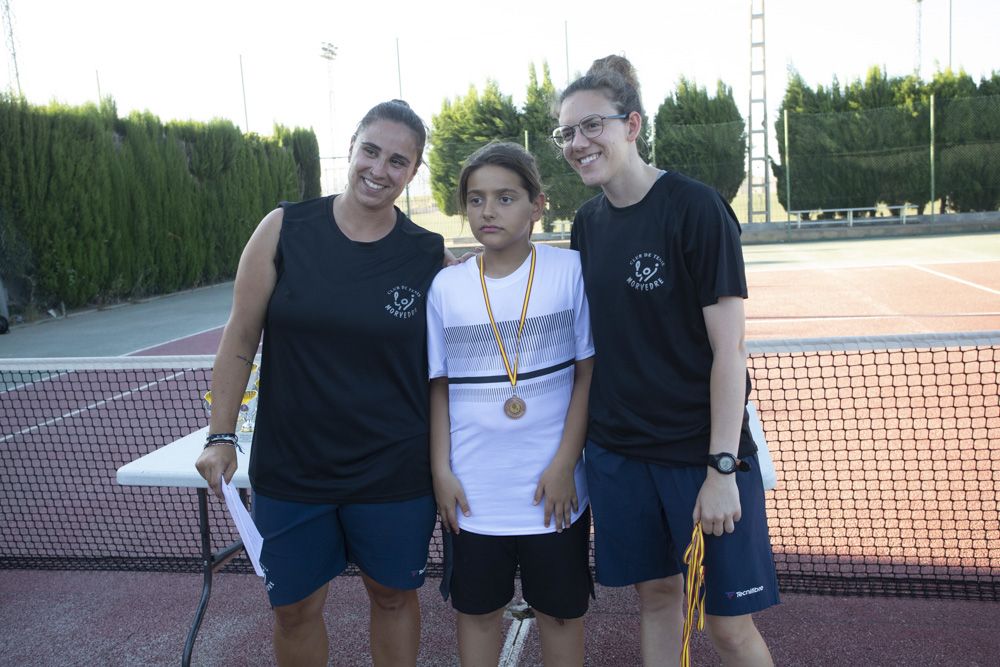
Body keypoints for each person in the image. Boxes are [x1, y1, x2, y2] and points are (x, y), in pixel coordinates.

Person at [195, 99, 445, 667]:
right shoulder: (284, 228)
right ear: (352, 148)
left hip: (393, 471)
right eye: (371, 151)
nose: (380, 170)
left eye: (399, 161)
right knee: (295, 609)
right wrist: (220, 435)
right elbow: (239, 338)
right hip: (294, 470)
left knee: (393, 597)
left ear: (413, 171)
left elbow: (454, 359)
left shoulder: (426, 254)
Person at [554, 56, 778, 666]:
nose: (578, 143)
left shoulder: (695, 208)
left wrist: (722, 469)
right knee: (656, 597)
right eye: (567, 133)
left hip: (698, 455)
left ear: (631, 125)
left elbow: (729, 351)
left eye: (591, 126)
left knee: (728, 627)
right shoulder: (587, 223)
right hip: (620, 456)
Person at [426, 142, 595, 666]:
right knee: (476, 615)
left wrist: (565, 463)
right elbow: (439, 386)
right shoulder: (446, 287)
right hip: (475, 494)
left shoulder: (570, 271)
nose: (488, 211)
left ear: (537, 205)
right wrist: (440, 471)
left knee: (560, 614)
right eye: (475, 200)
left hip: (555, 492)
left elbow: (588, 373)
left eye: (505, 198)